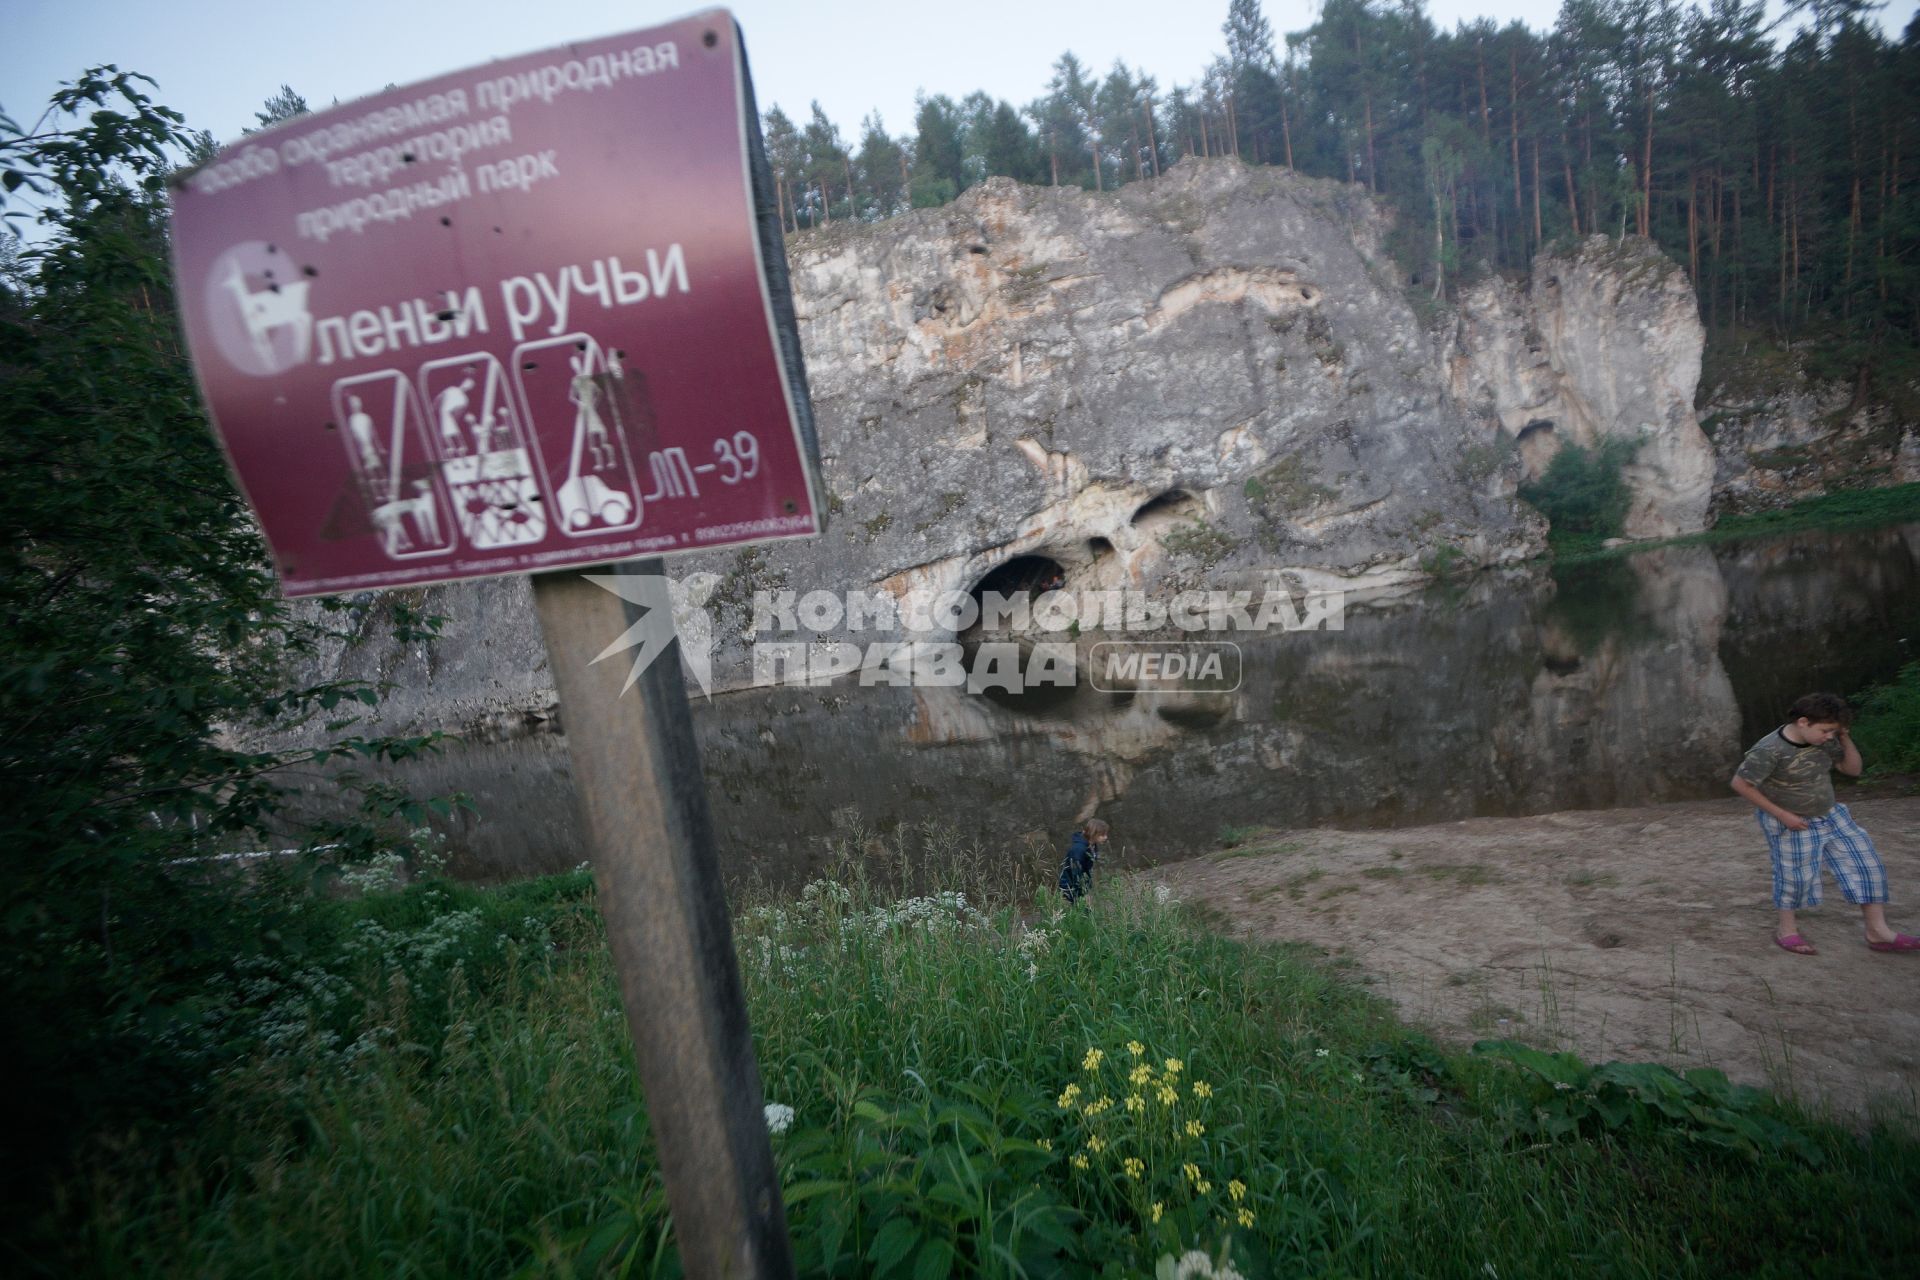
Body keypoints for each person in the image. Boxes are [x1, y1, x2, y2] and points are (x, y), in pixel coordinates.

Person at [1730, 692, 1916, 955]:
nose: (1829, 735)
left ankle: (1878, 932)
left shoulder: (1825, 740)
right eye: (1826, 730)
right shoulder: (1769, 749)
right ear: (1804, 722)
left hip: (1831, 813)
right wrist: (1782, 815)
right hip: (1791, 820)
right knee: (1795, 875)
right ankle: (1787, 930)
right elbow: (1740, 784)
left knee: (1866, 863)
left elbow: (1852, 770)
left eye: (1833, 731)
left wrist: (1844, 737)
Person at [1058, 817, 1110, 905]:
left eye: (1106, 834)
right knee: (1081, 913)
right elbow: (1076, 874)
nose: (1106, 837)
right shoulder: (1078, 850)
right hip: (1070, 888)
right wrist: (1083, 894)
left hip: (1081, 886)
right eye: (1102, 835)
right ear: (1093, 834)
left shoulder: (1091, 845)